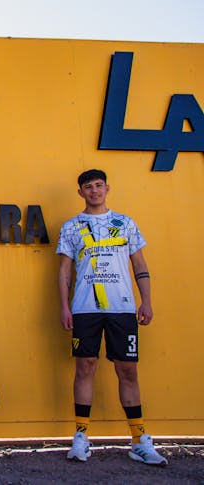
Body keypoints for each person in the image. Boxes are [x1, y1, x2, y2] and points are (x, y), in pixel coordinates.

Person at [57, 168, 167, 466]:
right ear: (80, 192)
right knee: (85, 367)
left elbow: (139, 265)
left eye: (98, 185)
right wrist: (65, 307)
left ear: (107, 188)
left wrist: (146, 302)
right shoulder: (71, 227)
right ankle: (81, 436)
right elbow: (65, 271)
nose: (94, 190)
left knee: (127, 370)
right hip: (85, 308)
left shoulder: (126, 223)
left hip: (122, 307)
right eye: (88, 187)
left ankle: (139, 439)